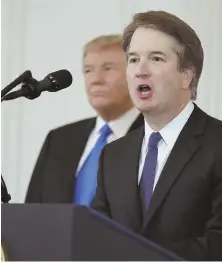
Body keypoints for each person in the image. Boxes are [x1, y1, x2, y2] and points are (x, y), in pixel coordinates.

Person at [91, 11, 222, 261]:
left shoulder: (217, 143)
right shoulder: (113, 155)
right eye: (133, 59)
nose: (140, 70)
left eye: (156, 59)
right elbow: (98, 236)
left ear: (186, 75)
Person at [25, 34, 144, 204]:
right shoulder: (59, 139)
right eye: (88, 70)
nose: (96, 80)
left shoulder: (155, 138)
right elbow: (32, 211)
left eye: (108, 68)